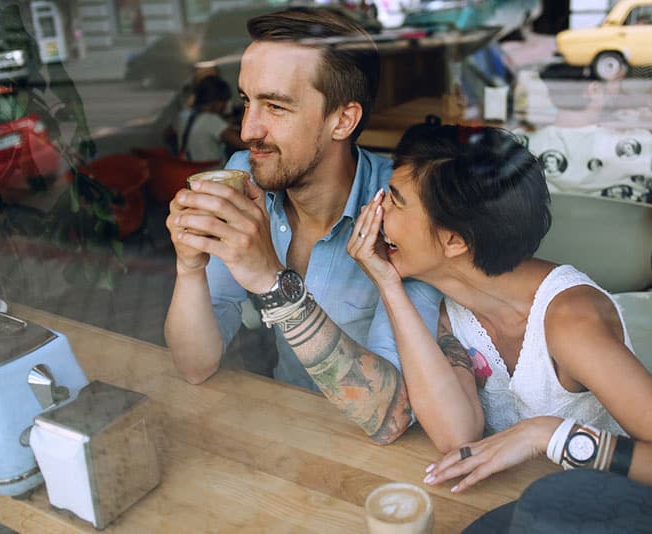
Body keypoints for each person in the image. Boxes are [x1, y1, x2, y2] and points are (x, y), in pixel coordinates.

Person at [347, 123, 652, 525]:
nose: (376, 210)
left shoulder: (570, 323)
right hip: (526, 515)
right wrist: (388, 284)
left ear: (454, 241)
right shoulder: (449, 305)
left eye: (395, 202)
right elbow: (456, 436)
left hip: (607, 518)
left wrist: (546, 434)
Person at [163, 8, 444, 444]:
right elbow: (195, 364)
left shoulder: (402, 208)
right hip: (287, 435)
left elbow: (396, 413)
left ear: (343, 120)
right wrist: (189, 268)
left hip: (382, 461)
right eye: (246, 101)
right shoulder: (245, 175)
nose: (247, 129)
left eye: (275, 106)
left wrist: (271, 281)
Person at [523, 79, 652, 207]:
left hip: (546, 257)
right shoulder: (636, 147)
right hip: (622, 260)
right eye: (616, 80)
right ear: (594, 90)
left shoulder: (519, 143)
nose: (619, 87)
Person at [174, 74, 245, 164]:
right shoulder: (211, 120)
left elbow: (169, 133)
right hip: (212, 172)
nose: (225, 105)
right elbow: (242, 144)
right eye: (224, 101)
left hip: (190, 171)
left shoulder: (183, 116)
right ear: (215, 100)